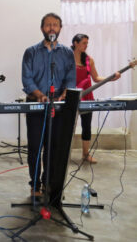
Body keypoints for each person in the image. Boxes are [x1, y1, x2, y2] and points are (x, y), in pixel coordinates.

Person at [22, 13, 76, 197]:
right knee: (36, 147)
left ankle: (48, 183)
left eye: (55, 25)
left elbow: (70, 78)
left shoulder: (67, 53)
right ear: (42, 28)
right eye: (47, 25)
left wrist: (63, 94)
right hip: (36, 105)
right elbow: (27, 79)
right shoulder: (31, 52)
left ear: (60, 28)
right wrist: (40, 95)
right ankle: (35, 185)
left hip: (58, 108)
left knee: (53, 147)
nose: (51, 28)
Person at [71, 33, 120, 164]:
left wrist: (111, 78)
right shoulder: (66, 58)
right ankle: (63, 154)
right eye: (84, 43)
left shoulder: (89, 60)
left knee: (86, 126)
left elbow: (96, 78)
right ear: (75, 43)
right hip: (71, 96)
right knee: (68, 126)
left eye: (87, 43)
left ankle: (85, 154)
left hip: (87, 97)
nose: (86, 46)